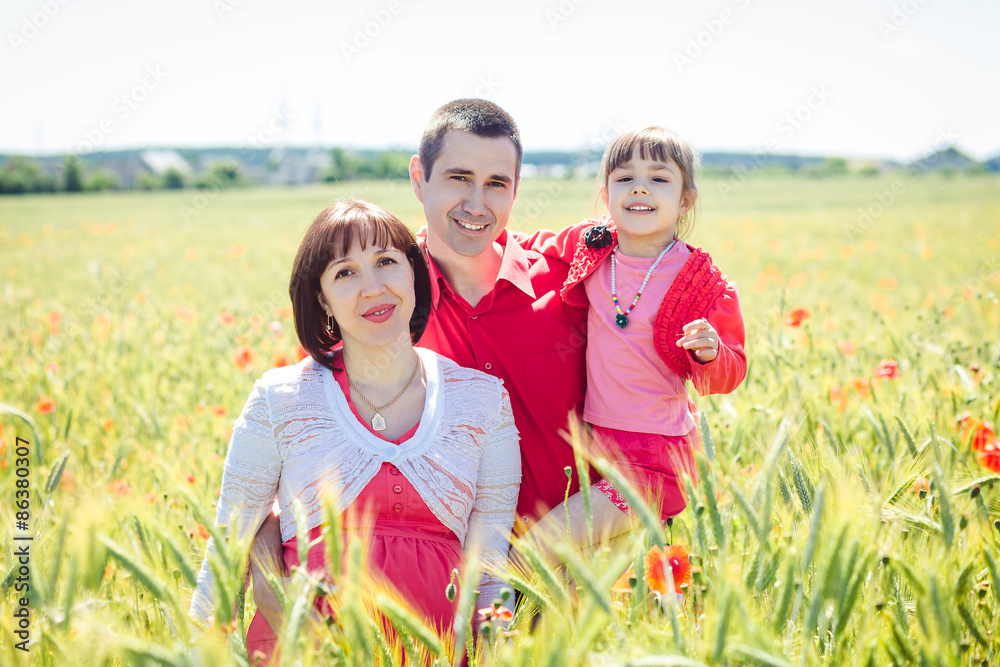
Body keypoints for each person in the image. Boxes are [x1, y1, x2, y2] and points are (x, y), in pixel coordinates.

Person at [188, 199, 521, 664]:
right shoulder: (280, 398)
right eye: (345, 273)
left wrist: (498, 654)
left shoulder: (482, 401)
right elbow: (227, 549)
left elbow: (490, 570)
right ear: (322, 298)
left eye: (386, 262)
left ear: (413, 273)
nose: (372, 287)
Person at [516, 126, 747, 555]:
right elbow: (526, 246)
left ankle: (494, 618)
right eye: (625, 178)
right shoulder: (592, 246)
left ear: (685, 201)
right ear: (606, 194)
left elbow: (725, 378)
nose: (639, 188)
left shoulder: (702, 283)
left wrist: (711, 354)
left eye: (658, 178)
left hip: (655, 464)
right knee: (576, 578)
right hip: (593, 451)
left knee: (536, 551)